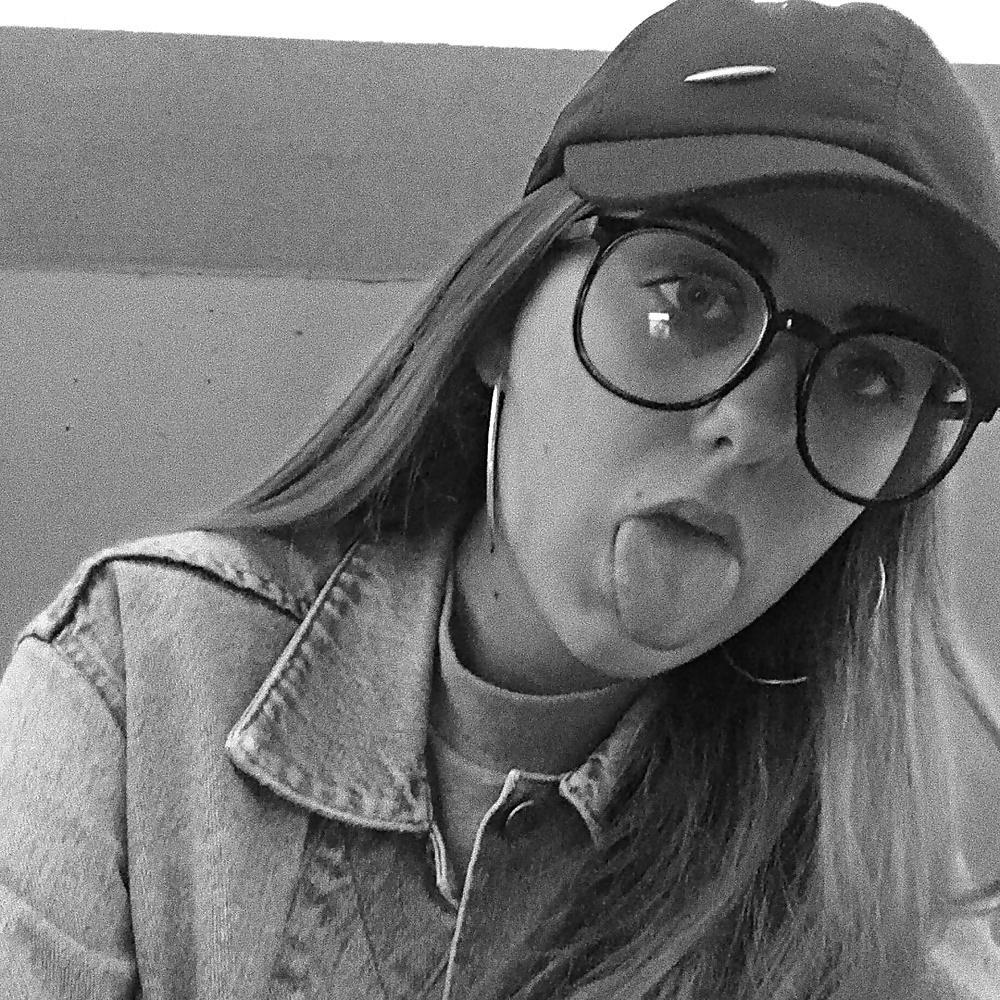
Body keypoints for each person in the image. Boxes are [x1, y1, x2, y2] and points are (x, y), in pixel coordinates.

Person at [3, 0, 1000, 997]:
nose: (754, 426)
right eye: (691, 298)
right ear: (504, 315)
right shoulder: (143, 675)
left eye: (869, 375)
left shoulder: (877, 911)